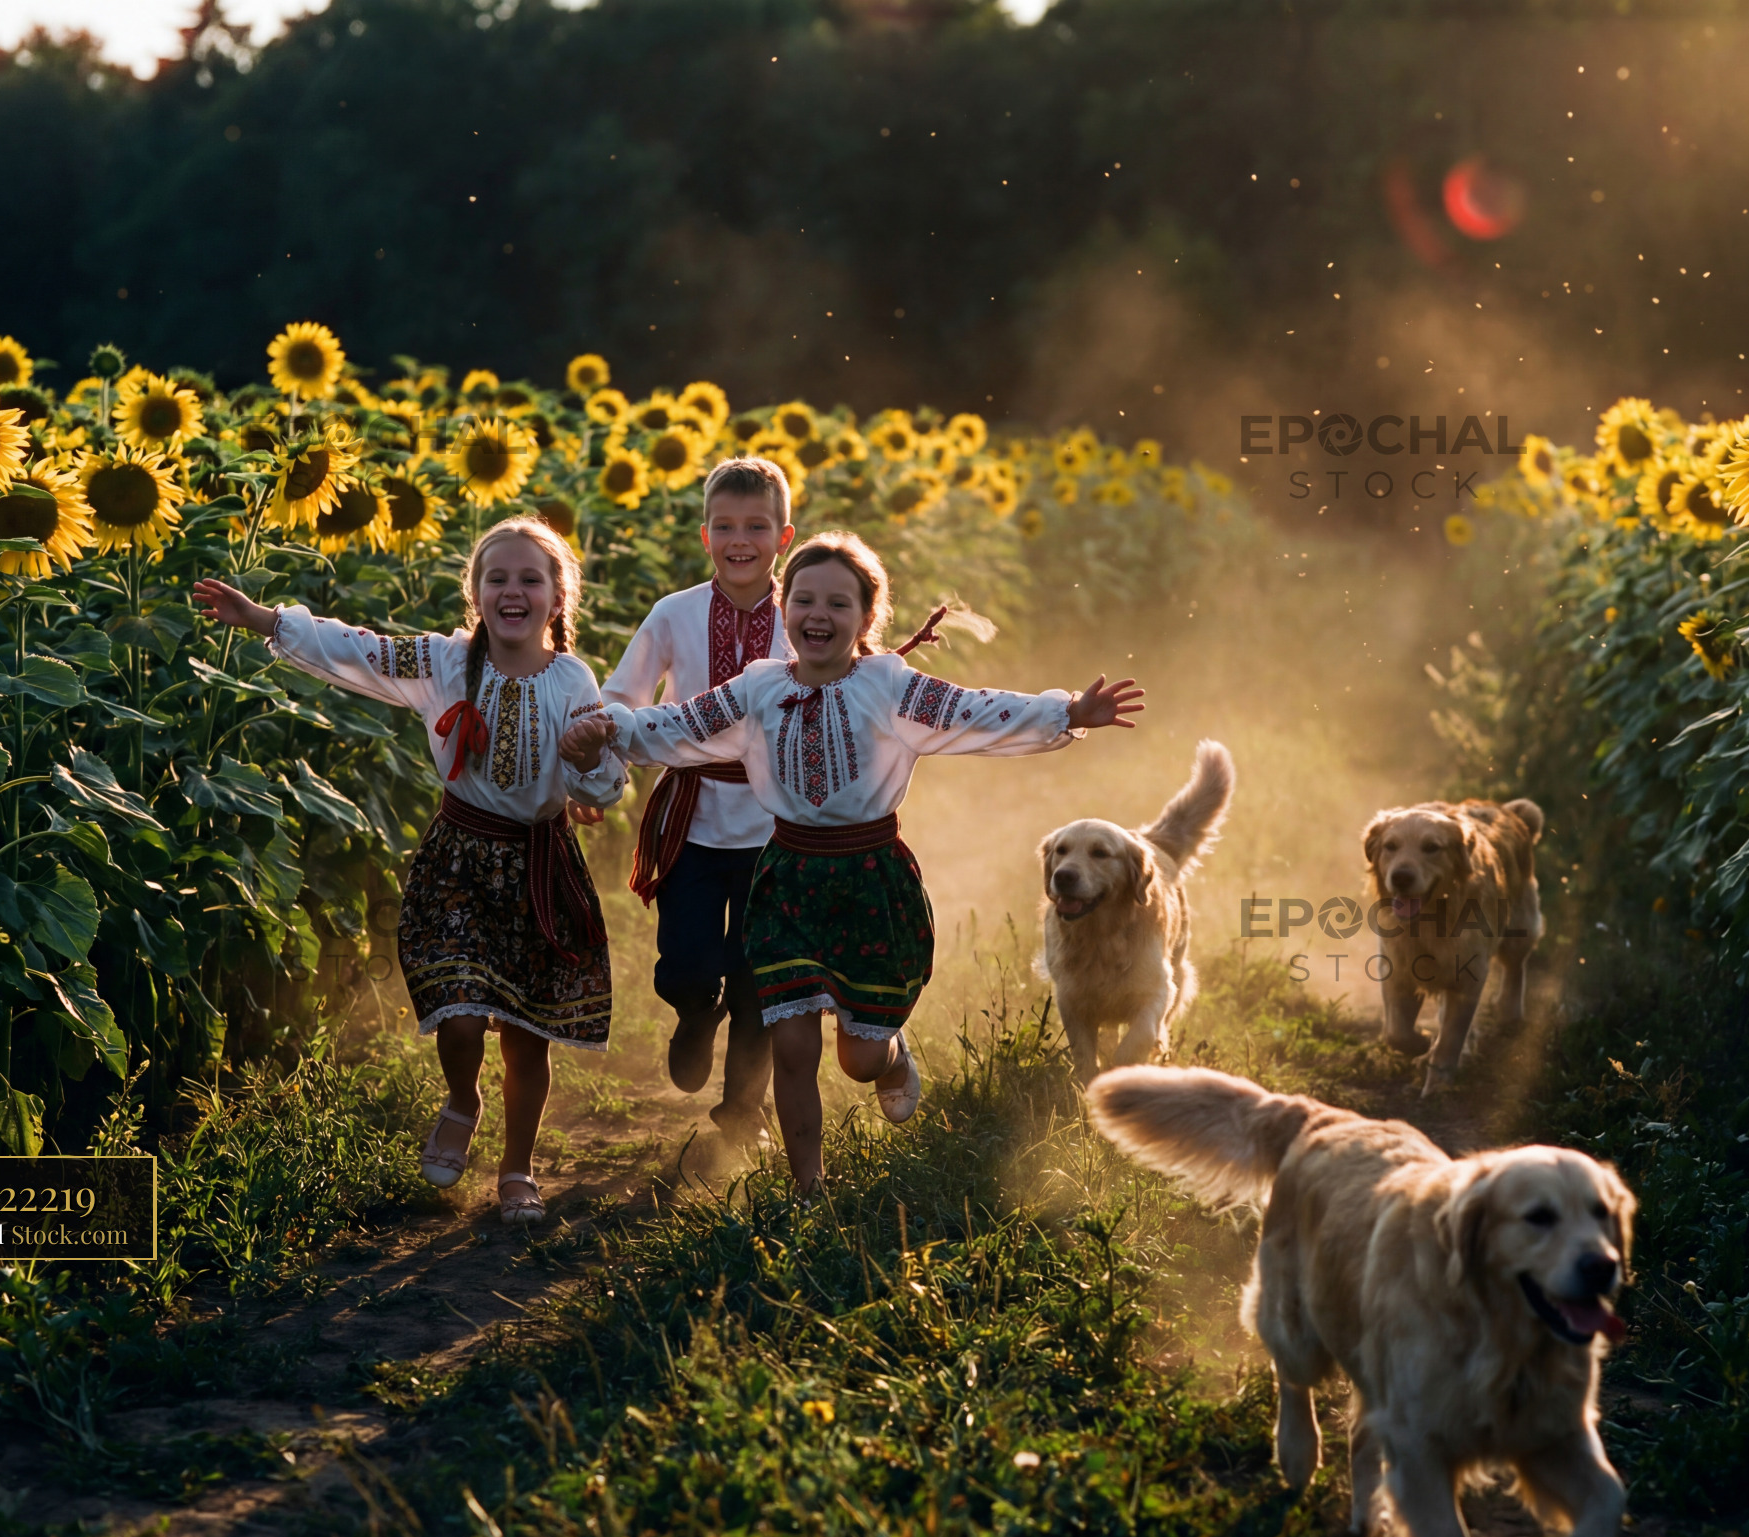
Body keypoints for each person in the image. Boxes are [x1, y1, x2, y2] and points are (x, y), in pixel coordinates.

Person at [560, 532, 1142, 1192]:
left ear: (868, 617)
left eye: (838, 602)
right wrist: (610, 731)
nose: (817, 613)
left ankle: (890, 1058)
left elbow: (974, 709)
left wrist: (1066, 710)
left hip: (871, 882)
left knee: (858, 1058)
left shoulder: (889, 686)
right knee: (793, 1044)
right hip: (786, 882)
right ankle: (809, 1186)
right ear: (785, 612)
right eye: (803, 598)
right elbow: (679, 724)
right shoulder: (756, 689)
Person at [192, 518, 626, 1225]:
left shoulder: (572, 678)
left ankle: (517, 1167)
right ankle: (462, 1098)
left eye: (529, 579)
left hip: (536, 869)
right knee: (456, 1013)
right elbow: (356, 647)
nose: (511, 590)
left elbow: (603, 785)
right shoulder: (445, 663)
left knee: (525, 1033)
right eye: (496, 578)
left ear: (557, 598)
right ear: (475, 594)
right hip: (458, 856)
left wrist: (585, 757)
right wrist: (266, 618)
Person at [599, 457, 793, 1147]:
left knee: (759, 980)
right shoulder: (673, 613)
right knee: (685, 960)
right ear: (705, 536)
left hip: (777, 825)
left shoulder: (806, 618)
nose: (741, 539)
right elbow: (623, 694)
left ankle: (743, 1115)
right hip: (693, 815)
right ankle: (691, 1009)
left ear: (784, 536)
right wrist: (600, 759)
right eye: (726, 525)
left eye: (757, 526)